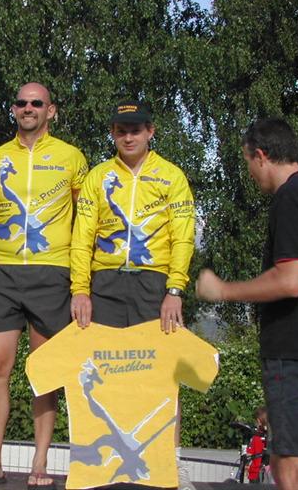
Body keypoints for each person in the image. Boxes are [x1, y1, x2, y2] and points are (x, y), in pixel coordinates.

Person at [195, 118, 298, 490]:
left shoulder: (292, 197)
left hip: (296, 355)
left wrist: (224, 290)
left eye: (248, 162)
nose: (251, 174)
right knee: (291, 467)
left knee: (296, 472)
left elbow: (290, 279)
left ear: (262, 155)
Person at [0, 82, 88, 489]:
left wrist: (85, 281)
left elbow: (86, 219)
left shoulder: (71, 157)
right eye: (21, 102)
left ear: (51, 111)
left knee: (42, 371)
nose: (28, 108)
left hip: (52, 272)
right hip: (4, 272)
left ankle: (40, 462)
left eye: (36, 103)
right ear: (13, 109)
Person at [70, 99, 196, 489]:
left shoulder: (172, 176)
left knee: (164, 376)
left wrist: (175, 289)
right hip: (105, 282)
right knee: (103, 377)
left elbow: (183, 237)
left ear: (150, 132)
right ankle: (104, 469)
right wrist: (80, 289)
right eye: (121, 130)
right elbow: (81, 237)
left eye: (136, 130)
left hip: (154, 284)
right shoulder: (98, 176)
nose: (129, 137)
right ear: (112, 133)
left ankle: (171, 464)